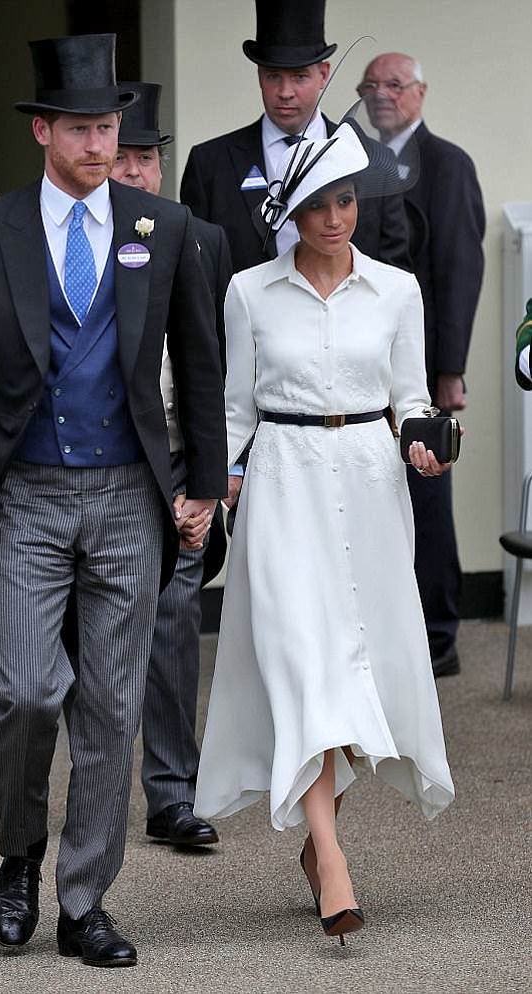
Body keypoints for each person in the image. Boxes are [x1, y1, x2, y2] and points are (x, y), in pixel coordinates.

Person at [0, 33, 227, 969]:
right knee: (23, 691)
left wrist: (203, 486)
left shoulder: (159, 228)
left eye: (112, 128)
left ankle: (83, 899)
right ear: (44, 130)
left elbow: (200, 367)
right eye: (84, 129)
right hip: (28, 499)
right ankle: (19, 851)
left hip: (132, 496)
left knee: (110, 704)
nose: (102, 145)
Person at [193, 123, 455, 945]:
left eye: (347, 200)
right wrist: (214, 486)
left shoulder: (399, 291)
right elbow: (235, 408)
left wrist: (424, 440)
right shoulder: (247, 292)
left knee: (356, 670)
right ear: (292, 213)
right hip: (281, 480)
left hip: (370, 481)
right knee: (303, 662)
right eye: (318, 204)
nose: (337, 217)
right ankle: (334, 860)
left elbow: (411, 396)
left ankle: (318, 844)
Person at [111, 81, 231, 848]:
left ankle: (170, 794)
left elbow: (211, 364)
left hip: (177, 462)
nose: (132, 172)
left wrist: (207, 484)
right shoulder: (75, 241)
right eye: (121, 157)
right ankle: (93, 784)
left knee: (175, 625)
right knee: (91, 639)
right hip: (97, 467)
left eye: (146, 158)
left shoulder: (199, 239)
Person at [357, 52, 485, 677]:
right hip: (365, 358)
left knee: (427, 492)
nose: (383, 94)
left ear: (421, 93)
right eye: (371, 85)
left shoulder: (448, 163)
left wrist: (450, 370)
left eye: (396, 85)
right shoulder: (357, 160)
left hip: (427, 362)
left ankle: (438, 636)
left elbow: (461, 270)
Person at [180, 0, 410, 275]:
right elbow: (196, 275)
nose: (285, 91)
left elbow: (393, 271)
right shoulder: (210, 164)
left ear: (323, 74)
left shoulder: (374, 159)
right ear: (259, 76)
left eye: (300, 76)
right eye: (273, 76)